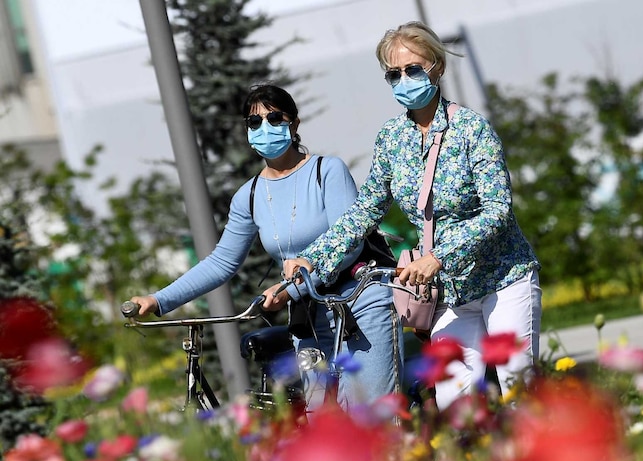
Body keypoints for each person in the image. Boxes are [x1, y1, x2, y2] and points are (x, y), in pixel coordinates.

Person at [286, 21, 542, 410]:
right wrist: (314, 257)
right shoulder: (392, 137)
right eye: (394, 74)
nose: (404, 79)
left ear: (436, 67)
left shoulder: (472, 129)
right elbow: (366, 208)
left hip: (503, 279)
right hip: (449, 295)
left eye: (413, 69)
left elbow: (498, 211)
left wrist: (439, 256)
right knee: (454, 405)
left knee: (519, 392)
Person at [127, 84, 402, 408]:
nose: (264, 128)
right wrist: (158, 301)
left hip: (358, 304)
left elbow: (350, 245)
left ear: (294, 124)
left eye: (274, 118)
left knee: (366, 417)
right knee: (322, 425)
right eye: (254, 123)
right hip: (309, 318)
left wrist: (290, 290)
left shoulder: (326, 171)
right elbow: (221, 263)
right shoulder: (250, 195)